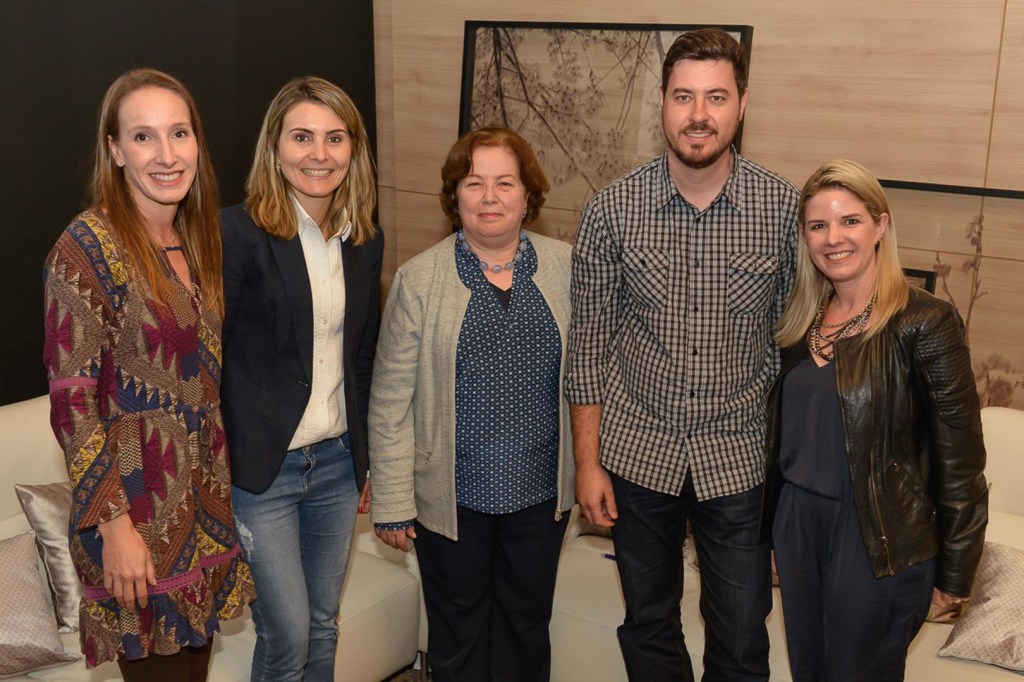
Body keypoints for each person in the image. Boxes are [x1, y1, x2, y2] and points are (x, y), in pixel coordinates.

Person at [566, 28, 800, 681]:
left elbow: (798, 338)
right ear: (663, 105)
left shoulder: (781, 209)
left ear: (743, 104)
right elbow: (587, 347)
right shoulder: (612, 210)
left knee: (742, 633)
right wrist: (588, 463)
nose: (699, 114)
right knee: (648, 624)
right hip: (639, 456)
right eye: (684, 96)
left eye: (716, 97)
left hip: (739, 460)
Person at [43, 68, 256, 681]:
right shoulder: (86, 245)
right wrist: (114, 528)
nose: (167, 155)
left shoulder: (197, 236)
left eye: (179, 133)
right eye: (143, 137)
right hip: (134, 516)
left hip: (204, 510)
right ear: (114, 150)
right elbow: (71, 404)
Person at [762, 159, 988, 680]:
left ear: (881, 225)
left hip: (877, 535)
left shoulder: (925, 322)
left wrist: (956, 573)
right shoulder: (799, 326)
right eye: (818, 225)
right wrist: (774, 536)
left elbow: (961, 460)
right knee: (809, 671)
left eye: (850, 221)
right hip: (798, 526)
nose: (833, 238)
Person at [370, 126, 575, 682]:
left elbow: (592, 379)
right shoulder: (419, 280)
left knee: (526, 628)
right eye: (474, 183)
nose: (489, 197)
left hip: (540, 496)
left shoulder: (568, 269)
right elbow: (390, 400)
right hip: (451, 499)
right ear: (454, 196)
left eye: (504, 183)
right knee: (458, 635)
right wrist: (391, 499)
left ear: (528, 195)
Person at [219, 76, 382, 682]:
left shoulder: (365, 239)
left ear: (354, 149)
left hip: (337, 468)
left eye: (335, 138)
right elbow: (211, 361)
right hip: (265, 475)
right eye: (303, 137)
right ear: (274, 146)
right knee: (286, 637)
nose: (319, 153)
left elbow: (359, 359)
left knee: (323, 626)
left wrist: (363, 459)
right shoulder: (235, 233)